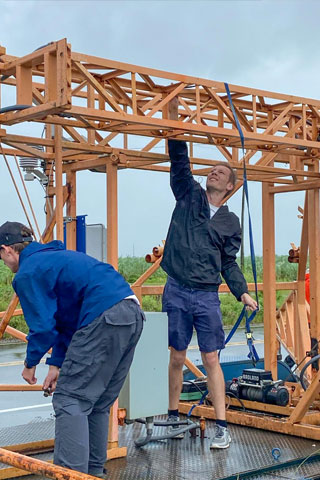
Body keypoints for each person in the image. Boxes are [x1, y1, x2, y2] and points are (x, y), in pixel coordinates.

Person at [0, 221, 144, 477]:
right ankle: (92, 474)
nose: (3, 263)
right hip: (130, 313)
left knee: (70, 399)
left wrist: (30, 363)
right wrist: (56, 364)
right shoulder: (55, 258)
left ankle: (71, 476)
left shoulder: (27, 272)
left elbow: (43, 327)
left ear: (7, 250)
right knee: (97, 402)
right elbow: (67, 320)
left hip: (102, 315)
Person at [161, 98, 257, 449]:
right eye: (211, 170)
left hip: (206, 295)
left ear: (230, 186)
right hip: (176, 287)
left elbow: (228, 261)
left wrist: (242, 291)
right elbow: (180, 161)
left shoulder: (232, 222)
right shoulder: (188, 194)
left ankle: (221, 425)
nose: (213, 172)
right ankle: (172, 416)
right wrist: (175, 126)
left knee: (211, 357)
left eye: (221, 172)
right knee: (175, 355)